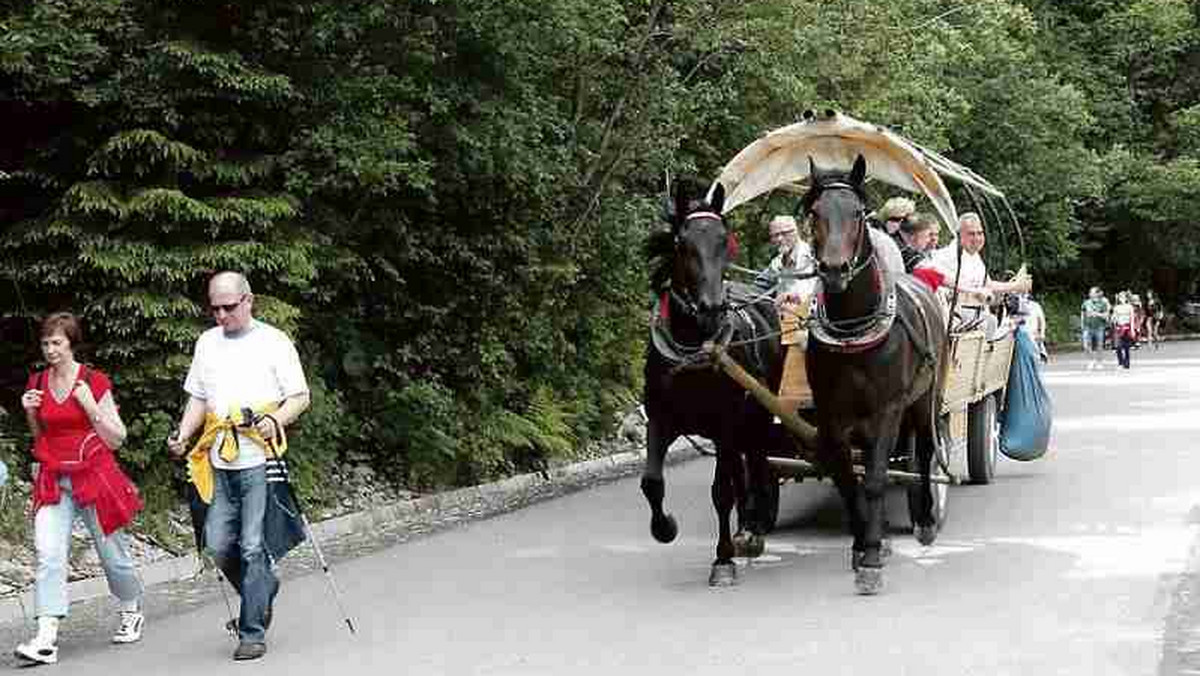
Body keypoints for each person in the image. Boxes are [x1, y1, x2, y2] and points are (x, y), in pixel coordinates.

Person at [167, 272, 310, 661]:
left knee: (251, 545)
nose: (221, 315)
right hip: (218, 458)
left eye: (229, 307)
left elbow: (299, 396)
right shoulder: (206, 343)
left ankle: (252, 632)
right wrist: (182, 434)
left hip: (258, 457)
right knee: (216, 543)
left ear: (249, 301)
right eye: (214, 308)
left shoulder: (274, 341)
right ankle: (262, 587)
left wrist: (276, 419)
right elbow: (198, 397)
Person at [15, 312, 144, 665]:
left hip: (94, 475)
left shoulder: (93, 380)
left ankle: (131, 608)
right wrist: (29, 413)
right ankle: (46, 637)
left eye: (56, 342)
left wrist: (91, 407)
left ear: (72, 343)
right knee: (49, 553)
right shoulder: (37, 381)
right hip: (54, 477)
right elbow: (40, 438)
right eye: (45, 343)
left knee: (112, 555)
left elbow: (117, 439)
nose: (50, 349)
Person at [930, 212, 1032, 334]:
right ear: (959, 235)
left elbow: (986, 283)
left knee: (1014, 323)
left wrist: (1014, 286)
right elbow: (979, 286)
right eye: (971, 234)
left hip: (974, 311)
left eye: (980, 233)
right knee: (992, 322)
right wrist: (1015, 286)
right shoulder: (950, 256)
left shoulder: (972, 255)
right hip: (955, 314)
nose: (977, 238)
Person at [765, 215, 816, 344]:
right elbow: (757, 289)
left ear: (795, 232)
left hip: (812, 331)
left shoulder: (814, 257)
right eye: (774, 235)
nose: (779, 239)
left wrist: (795, 297)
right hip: (783, 330)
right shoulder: (775, 264)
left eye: (784, 233)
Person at [1080, 287, 1109, 370]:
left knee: (1099, 345)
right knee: (1086, 345)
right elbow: (1082, 313)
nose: (1090, 294)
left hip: (1099, 327)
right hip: (1087, 327)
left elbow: (1106, 316)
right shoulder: (1086, 303)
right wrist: (1082, 324)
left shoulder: (1102, 303)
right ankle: (1091, 360)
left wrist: (1096, 314)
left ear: (1097, 294)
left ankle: (1099, 362)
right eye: (1090, 292)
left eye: (1092, 292)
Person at [1111, 291, 1136, 369]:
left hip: (1127, 327)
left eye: (1123, 297)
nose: (1122, 299)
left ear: (1126, 298)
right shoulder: (1116, 307)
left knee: (1126, 347)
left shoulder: (1129, 307)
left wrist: (1132, 329)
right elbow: (1113, 318)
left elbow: (1132, 318)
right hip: (1119, 327)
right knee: (1118, 346)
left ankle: (1127, 363)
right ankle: (1120, 362)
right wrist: (1113, 318)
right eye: (1120, 297)